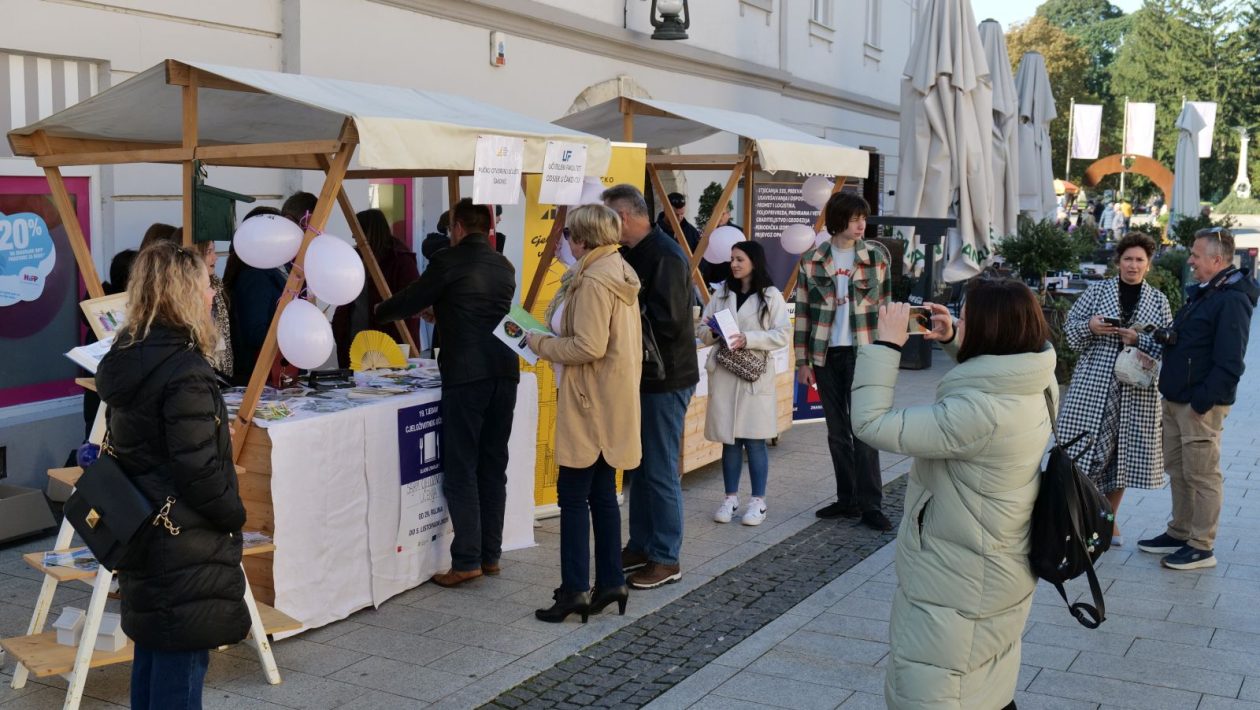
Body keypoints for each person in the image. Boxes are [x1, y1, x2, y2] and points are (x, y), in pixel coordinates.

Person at [851, 280, 1057, 710]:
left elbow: (870, 424)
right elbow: (994, 375)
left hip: (956, 577)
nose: (962, 319)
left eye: (969, 317)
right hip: (1001, 560)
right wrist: (955, 339)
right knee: (985, 675)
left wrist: (886, 346)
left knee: (935, 684)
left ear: (991, 331)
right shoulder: (1038, 381)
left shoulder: (978, 414)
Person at [95, 241, 249, 710]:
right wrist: (234, 513)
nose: (211, 296)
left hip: (147, 530)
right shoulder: (184, 371)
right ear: (183, 294)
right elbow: (197, 469)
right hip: (181, 538)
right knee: (178, 671)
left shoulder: (132, 355)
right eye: (205, 285)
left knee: (156, 654)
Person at [376, 198, 518, 587]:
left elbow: (411, 299)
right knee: (493, 466)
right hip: (505, 372)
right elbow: (484, 312)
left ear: (456, 226)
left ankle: (467, 560)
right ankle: (491, 555)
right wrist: (445, 311)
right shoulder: (504, 266)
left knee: (461, 467)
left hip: (467, 375)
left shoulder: (448, 261)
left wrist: (379, 311)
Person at [526, 204, 642, 623]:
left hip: (589, 402)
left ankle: (575, 589)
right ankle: (610, 580)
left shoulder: (594, 280)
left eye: (568, 234)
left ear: (582, 239)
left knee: (573, 498)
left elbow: (588, 346)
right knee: (600, 497)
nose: (564, 242)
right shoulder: (614, 270)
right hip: (605, 401)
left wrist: (539, 344)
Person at [1138, 227, 1259, 570]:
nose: (1190, 260)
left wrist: (1201, 403)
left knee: (1203, 474)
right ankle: (1180, 531)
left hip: (1198, 405)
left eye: (1195, 255)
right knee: (1180, 470)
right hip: (1178, 397)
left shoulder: (1232, 298)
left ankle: (1201, 545)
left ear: (1216, 260)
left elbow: (1231, 363)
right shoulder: (1207, 291)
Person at [603, 184, 699, 589]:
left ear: (623, 217)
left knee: (659, 468)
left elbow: (672, 321)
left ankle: (666, 556)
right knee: (638, 466)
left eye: (607, 218)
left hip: (665, 377)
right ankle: (641, 544)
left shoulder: (664, 255)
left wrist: (623, 316)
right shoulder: (633, 253)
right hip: (642, 376)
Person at [1057, 233, 1172, 546]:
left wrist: (1139, 340)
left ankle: (1108, 520)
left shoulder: (1158, 301)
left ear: (1148, 265)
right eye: (1128, 259)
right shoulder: (1097, 291)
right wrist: (1090, 327)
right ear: (1118, 261)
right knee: (1085, 453)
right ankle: (1081, 519)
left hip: (1136, 390)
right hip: (1094, 384)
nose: (1133, 265)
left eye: (1139, 260)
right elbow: (1069, 334)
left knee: (1122, 458)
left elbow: (1168, 344)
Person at [794, 193, 893, 531]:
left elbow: (887, 308)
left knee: (864, 431)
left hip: (864, 352)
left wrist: (888, 354)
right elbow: (803, 314)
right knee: (837, 432)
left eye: (863, 218)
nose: (861, 224)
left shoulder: (876, 256)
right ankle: (846, 500)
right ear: (838, 220)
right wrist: (802, 361)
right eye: (853, 219)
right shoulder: (812, 259)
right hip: (824, 354)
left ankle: (872, 506)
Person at [698, 241, 790, 526]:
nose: (734, 264)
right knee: (730, 440)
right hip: (726, 372)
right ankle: (730, 498)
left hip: (754, 374)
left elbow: (783, 333)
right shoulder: (722, 292)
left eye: (740, 259)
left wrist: (749, 338)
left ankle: (758, 502)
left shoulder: (771, 295)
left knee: (755, 439)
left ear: (754, 261)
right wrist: (714, 333)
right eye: (732, 259)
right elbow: (702, 327)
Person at [332, 208, 421, 367]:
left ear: (369, 232)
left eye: (356, 231)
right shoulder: (354, 258)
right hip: (354, 338)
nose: (353, 236)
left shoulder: (400, 261)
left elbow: (412, 302)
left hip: (387, 340)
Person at [141, 226, 233, 379]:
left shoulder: (217, 286)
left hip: (216, 374)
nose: (215, 257)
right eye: (209, 251)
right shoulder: (174, 302)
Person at [223, 206, 287, 385]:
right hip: (259, 374)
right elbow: (255, 332)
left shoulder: (273, 267)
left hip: (270, 371)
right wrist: (292, 333)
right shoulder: (255, 274)